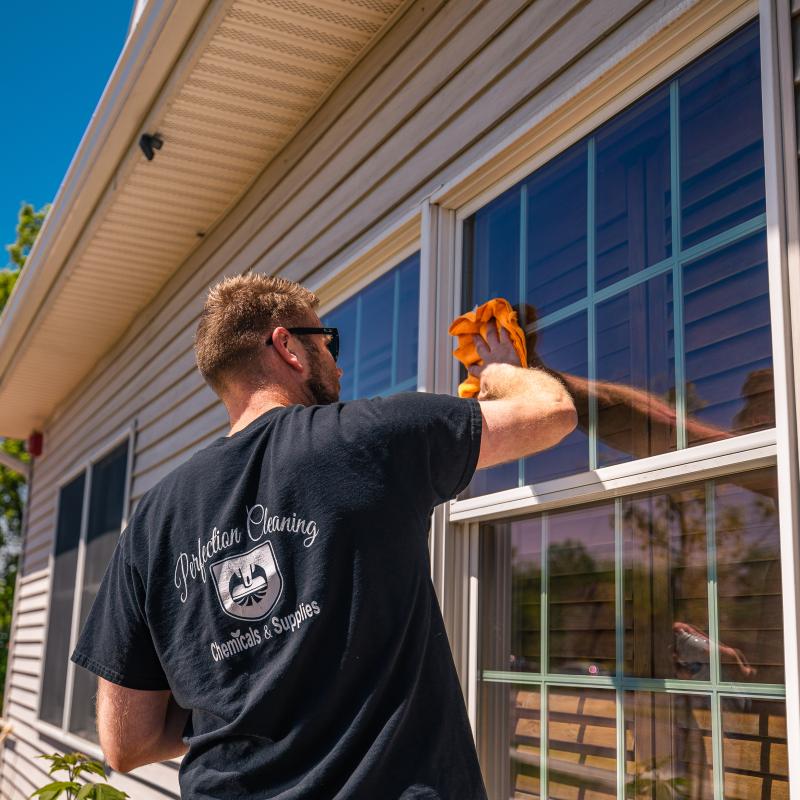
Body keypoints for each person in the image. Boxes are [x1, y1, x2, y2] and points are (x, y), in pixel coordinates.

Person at [71, 274, 576, 799]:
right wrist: (503, 371)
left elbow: (125, 741)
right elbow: (552, 414)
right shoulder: (369, 436)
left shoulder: (152, 521)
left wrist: (246, 705)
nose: (339, 364)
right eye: (329, 343)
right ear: (287, 346)